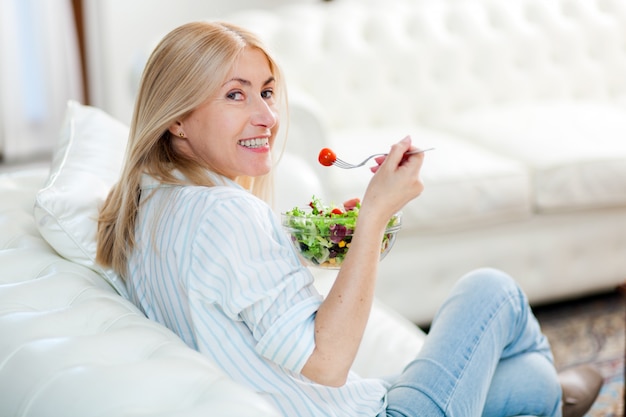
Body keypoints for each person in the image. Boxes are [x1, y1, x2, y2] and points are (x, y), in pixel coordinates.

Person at [96, 21, 602, 417]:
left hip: (334, 403)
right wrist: (375, 213)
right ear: (177, 119)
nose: (268, 117)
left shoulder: (145, 201)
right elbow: (327, 364)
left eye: (267, 92)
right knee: (492, 290)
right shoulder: (229, 215)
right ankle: (553, 400)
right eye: (236, 94)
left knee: (530, 384)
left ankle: (550, 395)